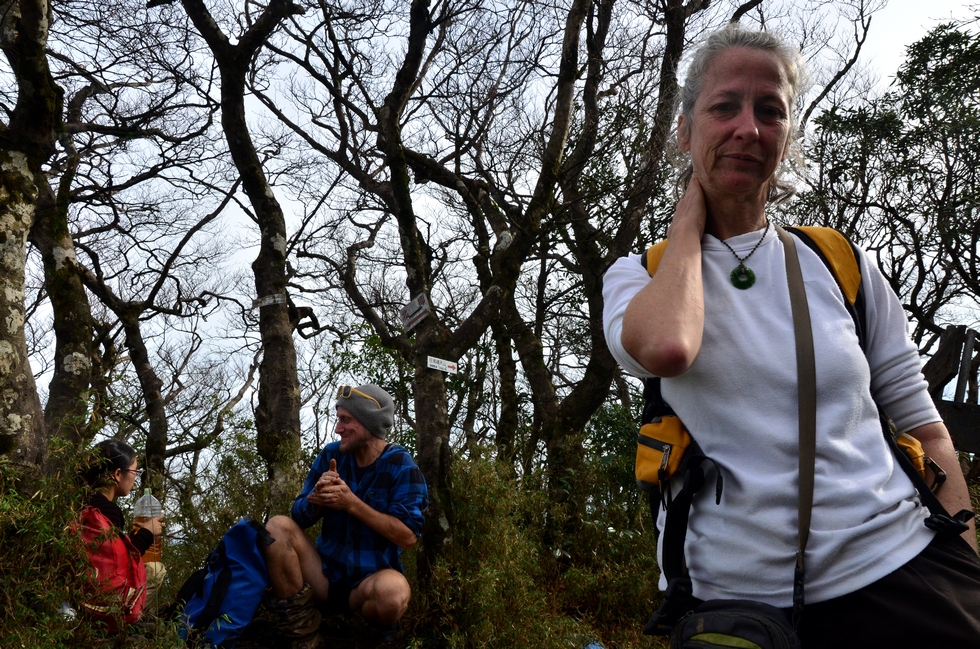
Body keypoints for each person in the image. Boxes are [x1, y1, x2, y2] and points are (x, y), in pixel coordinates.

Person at [602, 24, 980, 647]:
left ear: (786, 136)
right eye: (723, 107)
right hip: (738, 609)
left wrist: (966, 558)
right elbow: (669, 347)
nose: (747, 128)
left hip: (903, 574)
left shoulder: (836, 260)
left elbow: (923, 423)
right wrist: (691, 215)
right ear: (684, 130)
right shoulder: (639, 277)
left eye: (769, 111)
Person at [262, 383, 428, 648]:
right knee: (277, 528)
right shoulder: (331, 455)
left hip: (367, 586)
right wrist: (317, 499)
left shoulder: (401, 465)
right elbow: (300, 516)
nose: (338, 429)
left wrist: (351, 503)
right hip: (323, 578)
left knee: (394, 593)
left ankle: (361, 636)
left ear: (369, 423)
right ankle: (304, 636)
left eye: (345, 420)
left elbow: (407, 536)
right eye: (338, 419)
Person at [79, 439, 164, 626]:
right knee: (157, 570)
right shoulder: (107, 511)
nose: (136, 477)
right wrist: (148, 532)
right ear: (118, 474)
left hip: (78, 592)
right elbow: (118, 567)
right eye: (135, 472)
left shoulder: (80, 500)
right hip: (100, 603)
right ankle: (126, 622)